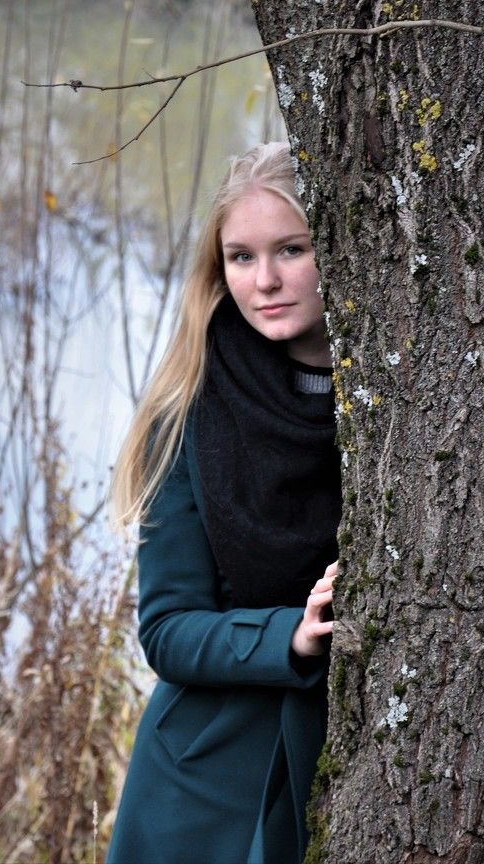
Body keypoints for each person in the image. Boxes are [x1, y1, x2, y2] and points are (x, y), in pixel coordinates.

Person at [107, 141, 341, 864]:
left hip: (350, 762)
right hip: (203, 786)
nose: (265, 280)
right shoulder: (187, 408)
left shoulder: (403, 405)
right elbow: (167, 629)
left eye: (292, 249)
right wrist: (288, 636)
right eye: (241, 257)